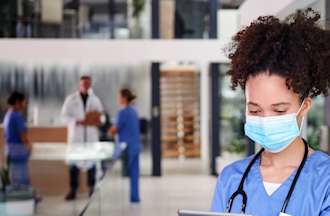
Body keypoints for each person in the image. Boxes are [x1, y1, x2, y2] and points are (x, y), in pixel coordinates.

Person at [211, 9, 330, 215]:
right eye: (255, 110)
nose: (265, 120)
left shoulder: (325, 180)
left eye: (279, 110)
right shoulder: (231, 179)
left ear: (305, 106)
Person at [61, 75, 104, 200]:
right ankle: (72, 190)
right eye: (83, 83)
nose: (86, 86)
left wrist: (97, 120)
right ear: (80, 84)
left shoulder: (95, 100)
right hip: (76, 137)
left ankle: (91, 188)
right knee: (74, 164)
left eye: (88, 84)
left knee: (91, 164)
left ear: (90, 84)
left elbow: (101, 117)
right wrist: (76, 121)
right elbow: (63, 118)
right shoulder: (71, 99)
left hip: (90, 136)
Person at [109, 88, 141, 203]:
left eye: (119, 96)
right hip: (135, 145)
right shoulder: (134, 111)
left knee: (110, 169)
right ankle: (135, 197)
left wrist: (109, 130)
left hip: (127, 147)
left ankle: (132, 198)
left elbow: (115, 129)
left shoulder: (123, 112)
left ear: (124, 98)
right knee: (135, 173)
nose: (118, 99)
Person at [3, 92, 32, 187]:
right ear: (17, 102)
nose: (25, 104)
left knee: (13, 179)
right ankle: (25, 199)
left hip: (10, 151)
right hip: (18, 152)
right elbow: (23, 136)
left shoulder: (8, 115)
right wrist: (29, 147)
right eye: (24, 102)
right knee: (20, 181)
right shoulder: (16, 116)